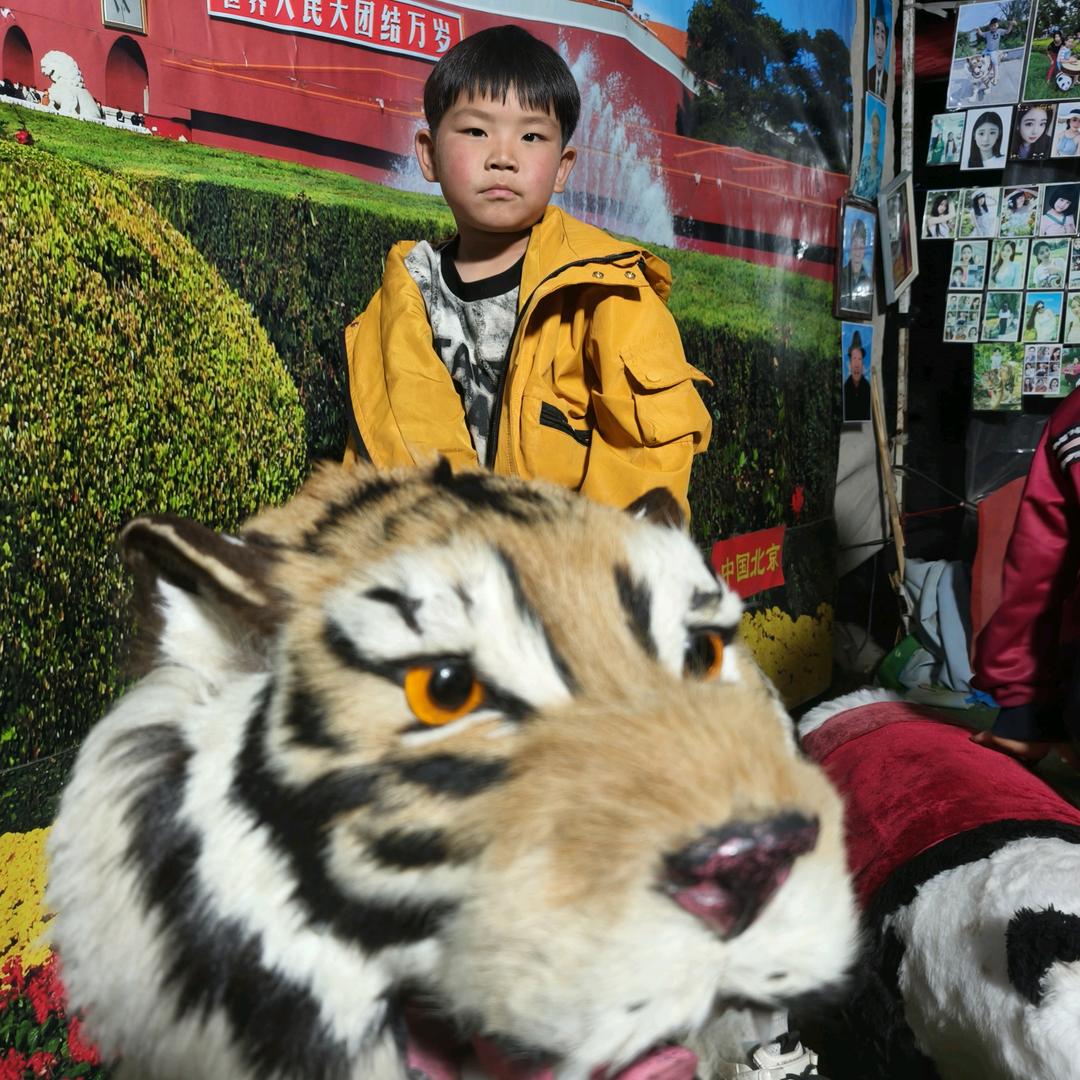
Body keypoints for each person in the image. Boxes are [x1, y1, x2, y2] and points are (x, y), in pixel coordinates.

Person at [342, 25, 712, 520]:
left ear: (563, 167)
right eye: (476, 131)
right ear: (428, 155)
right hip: (438, 573)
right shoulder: (398, 303)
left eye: (532, 136)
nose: (503, 157)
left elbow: (647, 468)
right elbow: (362, 471)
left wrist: (578, 583)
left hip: (561, 580)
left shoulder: (611, 298)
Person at [840, 218, 872, 313]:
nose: (858, 250)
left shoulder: (868, 282)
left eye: (861, 246)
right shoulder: (840, 276)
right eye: (855, 244)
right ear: (850, 247)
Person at [975, 15, 1015, 83]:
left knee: (994, 62)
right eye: (991, 26)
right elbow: (981, 34)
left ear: (997, 25)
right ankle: (982, 72)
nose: (993, 27)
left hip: (994, 51)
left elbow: (1007, 31)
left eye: (994, 25)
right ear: (989, 27)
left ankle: (995, 77)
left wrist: (1010, 25)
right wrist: (978, 29)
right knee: (981, 59)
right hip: (987, 50)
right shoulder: (987, 33)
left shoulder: (999, 31)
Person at [854, 110, 883, 200]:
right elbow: (858, 192)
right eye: (873, 133)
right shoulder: (864, 163)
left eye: (878, 134)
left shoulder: (880, 167)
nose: (876, 139)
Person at [843, 332, 871, 421]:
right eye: (854, 359)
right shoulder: (845, 387)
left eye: (859, 359)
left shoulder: (867, 387)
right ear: (850, 363)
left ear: (863, 364)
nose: (856, 364)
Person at [868, 0, 890, 99]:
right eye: (877, 35)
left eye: (883, 37)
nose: (880, 46)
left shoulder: (887, 79)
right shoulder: (868, 75)